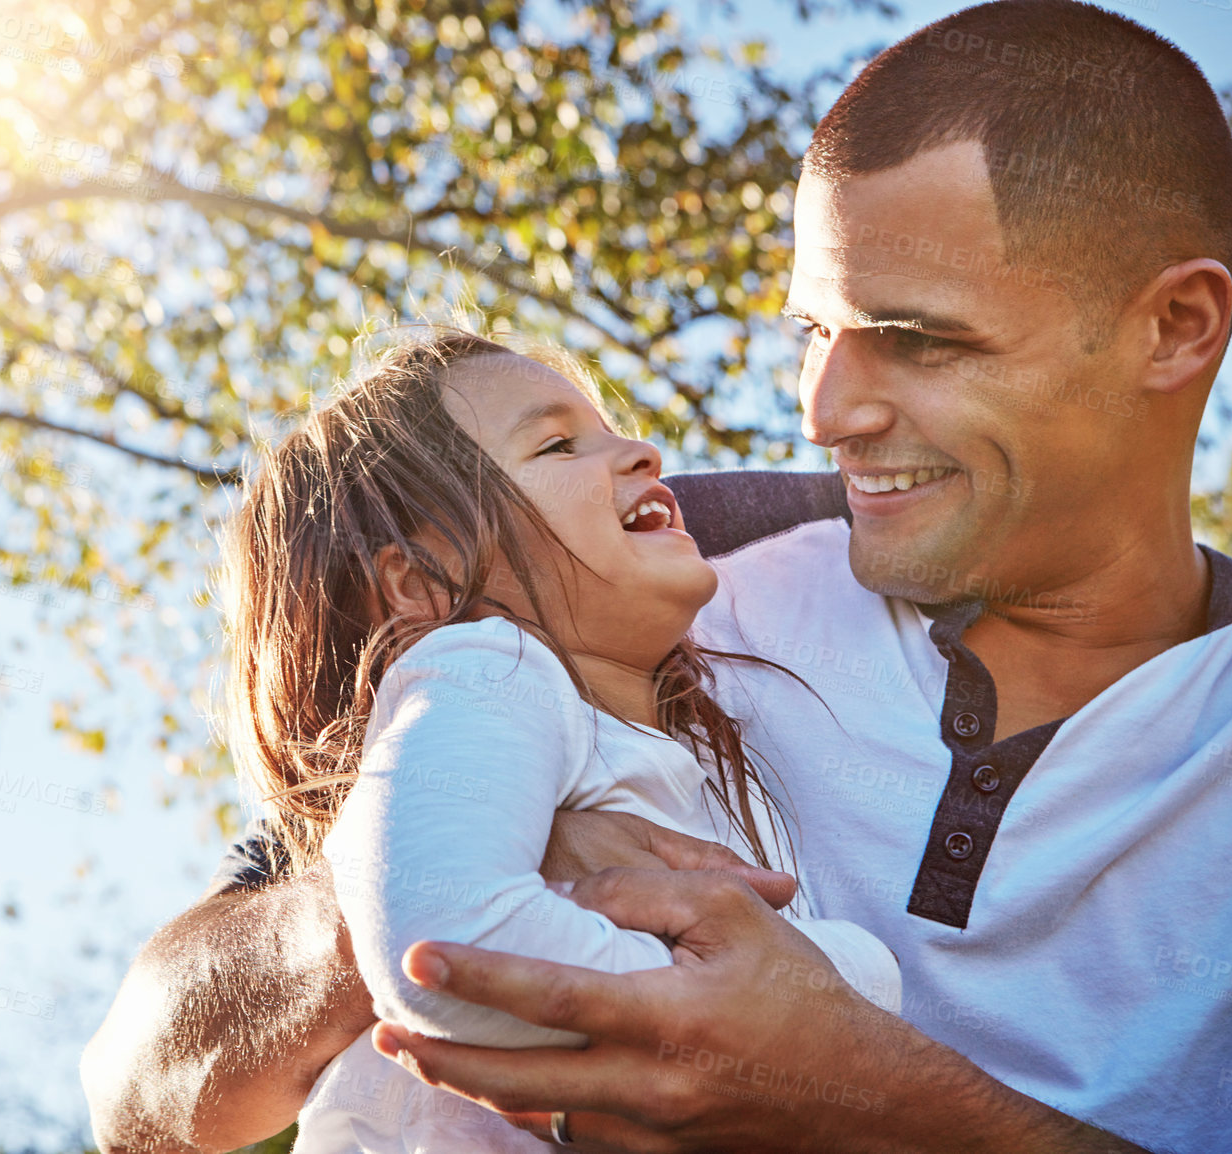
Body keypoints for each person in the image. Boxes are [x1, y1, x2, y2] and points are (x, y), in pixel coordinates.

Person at [80, 2, 1232, 1152]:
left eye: (919, 338)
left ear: (1174, 328)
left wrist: (877, 1104)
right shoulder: (656, 566)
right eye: (813, 331)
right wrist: (448, 879)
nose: (825, 411)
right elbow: (139, 1091)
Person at [214, 332, 902, 1153]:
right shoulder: (483, 666)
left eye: (610, 429)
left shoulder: (699, 757)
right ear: (424, 581)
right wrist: (776, 1008)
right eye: (559, 444)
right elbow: (446, 947)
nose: (643, 453)